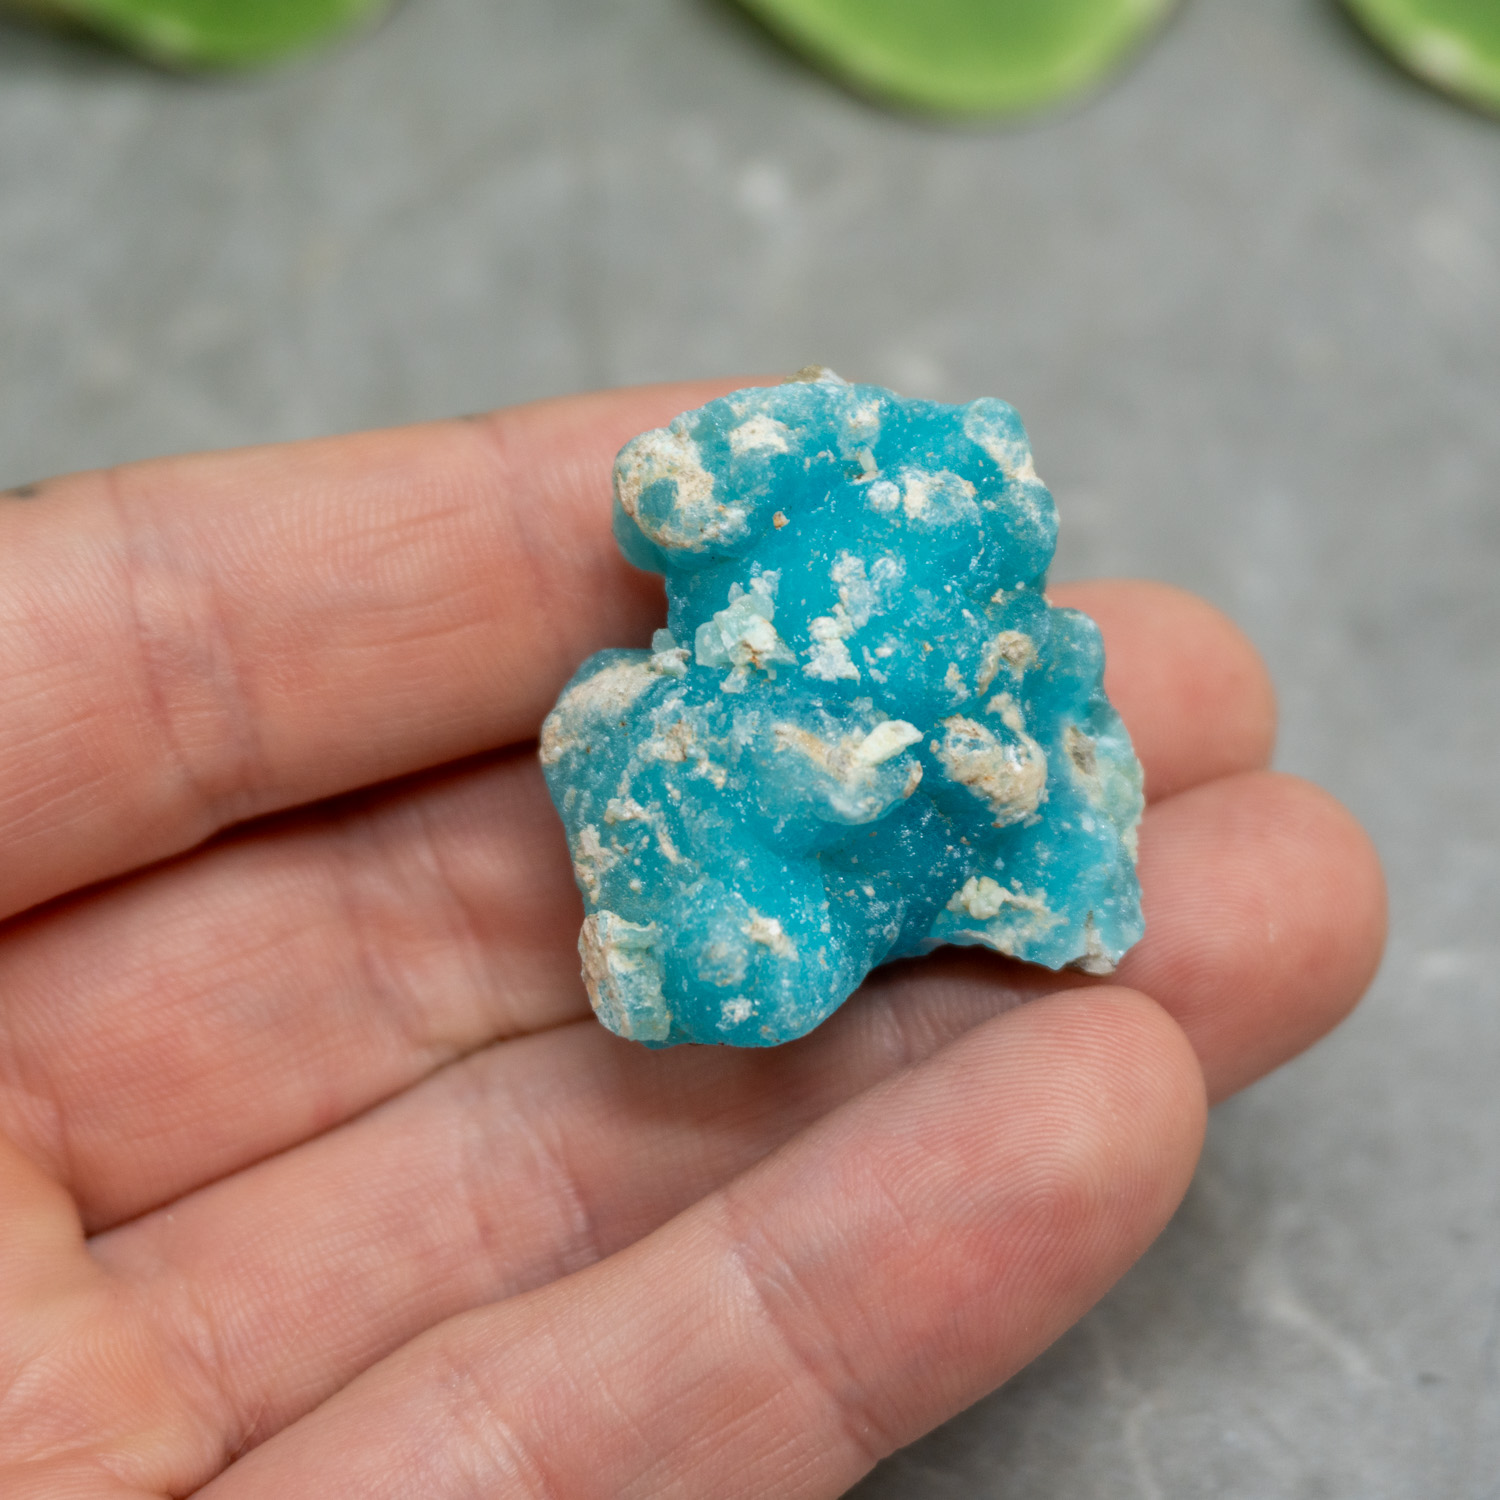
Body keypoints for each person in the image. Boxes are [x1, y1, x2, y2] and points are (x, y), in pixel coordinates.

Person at [0, 380, 1385, 1498]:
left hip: (904, 809)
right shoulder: (685, 745)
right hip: (760, 804)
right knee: (732, 933)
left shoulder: (1002, 731)